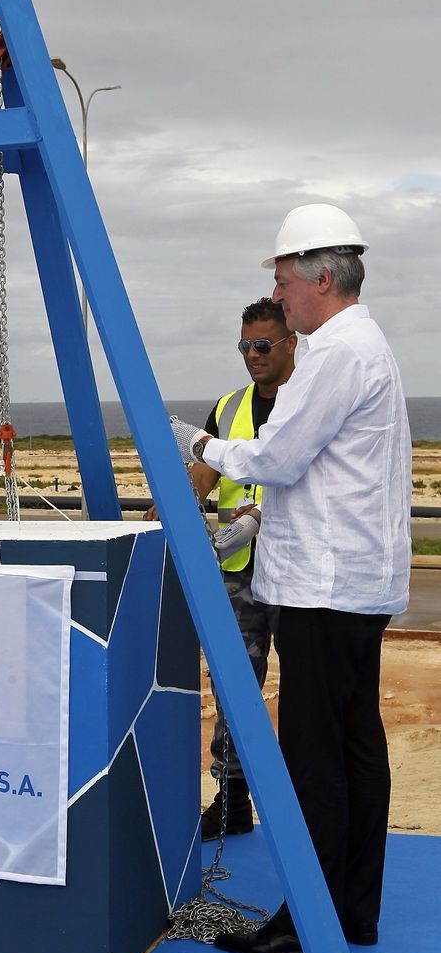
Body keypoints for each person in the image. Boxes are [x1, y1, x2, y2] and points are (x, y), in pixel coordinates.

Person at [172, 204, 411, 953]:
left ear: (317, 278)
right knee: (352, 747)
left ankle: (309, 920)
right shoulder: (359, 346)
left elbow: (275, 458)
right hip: (350, 584)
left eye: (281, 284)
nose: (277, 299)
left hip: (323, 587)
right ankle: (351, 911)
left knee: (315, 758)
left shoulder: (337, 352)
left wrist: (196, 440)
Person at [190, 298, 295, 841]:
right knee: (233, 685)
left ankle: (303, 806)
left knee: (304, 692)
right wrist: (178, 500)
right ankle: (231, 801)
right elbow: (207, 469)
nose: (252, 356)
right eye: (244, 347)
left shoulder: (309, 401)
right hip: (239, 570)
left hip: (299, 570)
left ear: (290, 342)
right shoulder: (229, 407)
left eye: (262, 346)